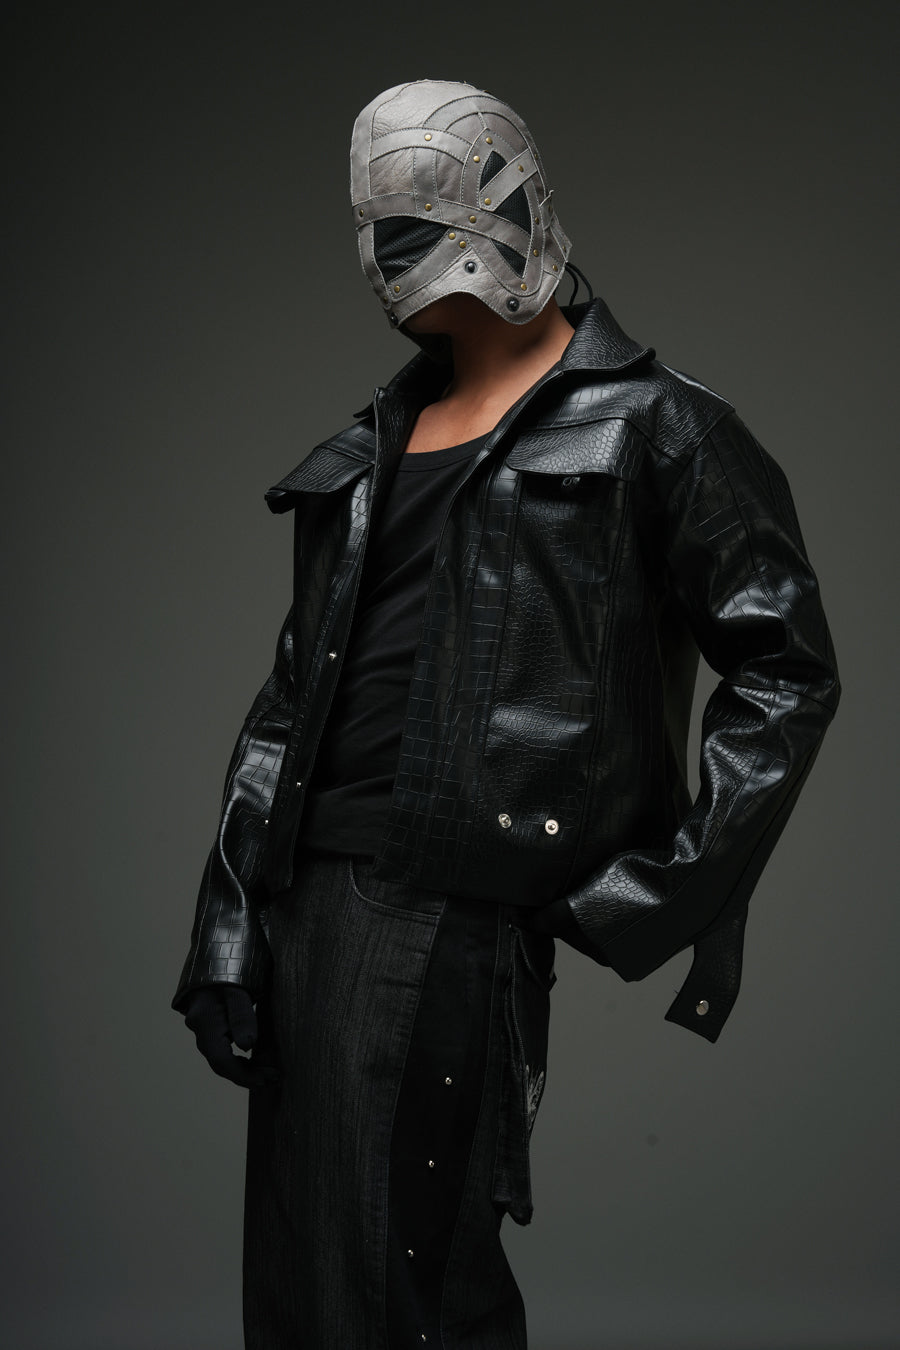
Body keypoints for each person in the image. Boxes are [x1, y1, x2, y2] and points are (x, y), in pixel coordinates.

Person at [171, 79, 841, 1349]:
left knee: (409, 1297)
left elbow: (788, 669)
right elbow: (291, 699)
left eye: (422, 224)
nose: (399, 257)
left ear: (515, 203)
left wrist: (654, 894)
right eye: (385, 229)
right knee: (303, 1302)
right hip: (308, 903)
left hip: (451, 913)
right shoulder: (371, 445)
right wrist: (229, 924)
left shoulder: (660, 428)